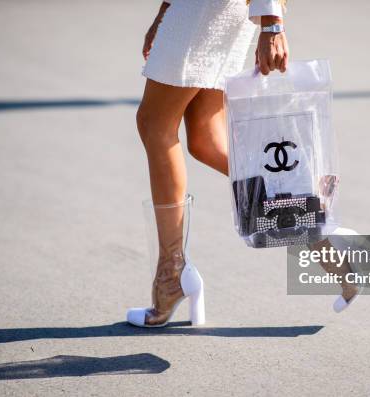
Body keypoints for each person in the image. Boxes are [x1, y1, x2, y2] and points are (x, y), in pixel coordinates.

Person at [127, 0, 357, 328]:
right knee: (206, 139)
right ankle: (313, 219)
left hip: (204, 10)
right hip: (206, 11)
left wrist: (272, 25)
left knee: (154, 124)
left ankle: (171, 274)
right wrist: (164, 11)